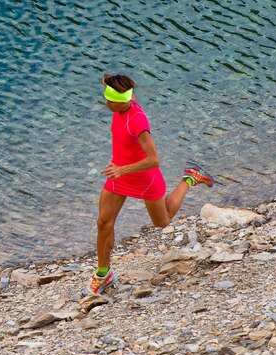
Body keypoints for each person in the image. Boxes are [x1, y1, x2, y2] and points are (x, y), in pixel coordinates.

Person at [86, 73, 214, 295]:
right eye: (105, 98)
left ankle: (190, 177)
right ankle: (103, 275)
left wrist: (121, 169)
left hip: (144, 177)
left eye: (110, 101)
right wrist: (107, 81)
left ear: (125, 100)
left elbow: (154, 160)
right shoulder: (123, 100)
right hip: (118, 174)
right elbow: (116, 88)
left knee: (162, 221)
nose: (106, 104)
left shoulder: (138, 120)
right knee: (104, 222)